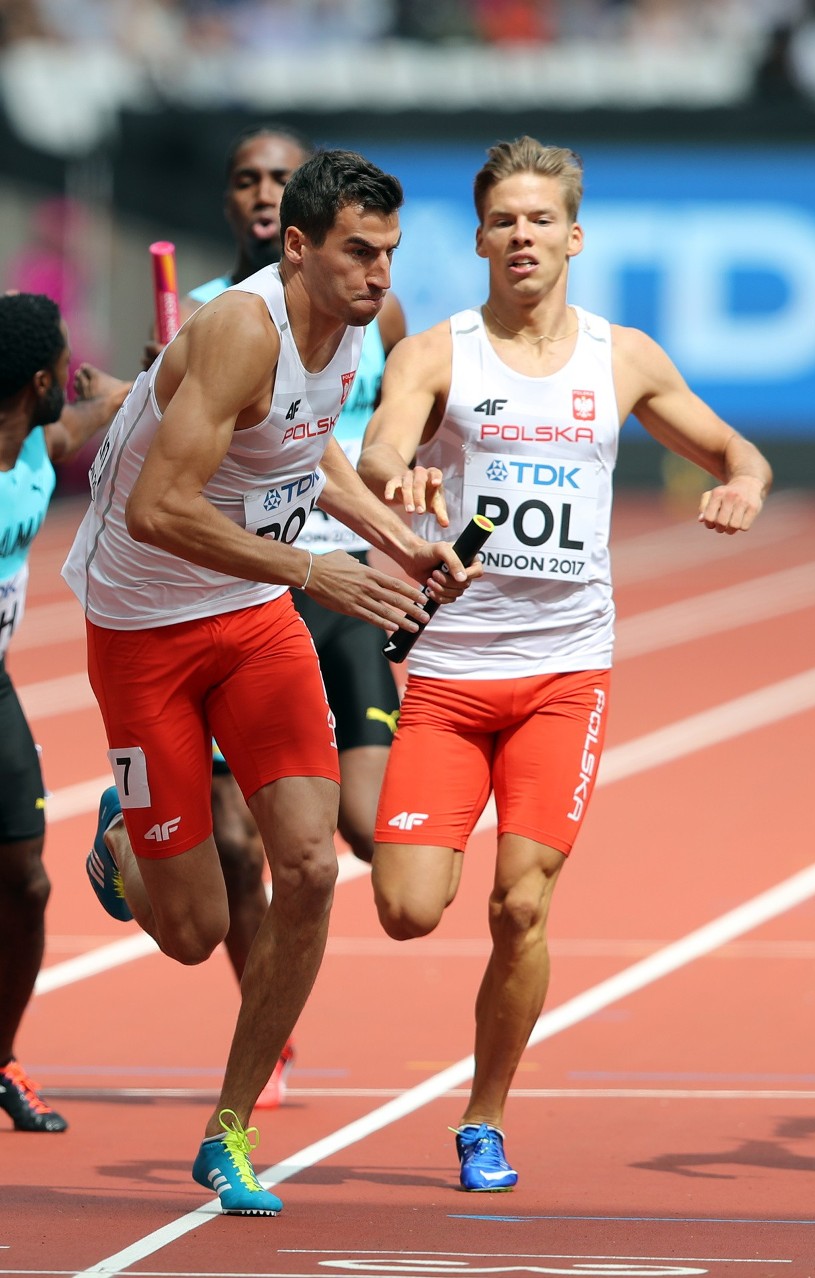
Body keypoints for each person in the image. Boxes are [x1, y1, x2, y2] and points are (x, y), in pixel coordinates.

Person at [62, 148, 480, 1216]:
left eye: (389, 253)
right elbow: (158, 507)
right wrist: (312, 570)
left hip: (250, 624)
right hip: (145, 626)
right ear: (296, 247)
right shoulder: (240, 329)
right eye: (358, 252)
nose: (380, 274)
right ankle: (122, 840)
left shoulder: (347, 328)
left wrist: (398, 541)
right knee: (197, 928)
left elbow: (310, 454)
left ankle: (228, 1130)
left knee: (307, 866)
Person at [357, 136, 773, 1194]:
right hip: (451, 674)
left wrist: (742, 487)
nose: (522, 236)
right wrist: (403, 481)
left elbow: (738, 450)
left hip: (564, 673)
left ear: (574, 236)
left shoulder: (621, 356)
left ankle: (483, 1118)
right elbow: (376, 451)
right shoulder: (438, 353)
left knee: (521, 907)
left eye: (541, 219)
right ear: (482, 237)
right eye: (504, 220)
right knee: (408, 908)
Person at [142, 124, 407, 1112]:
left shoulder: (363, 313)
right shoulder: (221, 318)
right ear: (286, 233)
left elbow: (372, 428)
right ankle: (267, 1026)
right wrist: (147, 391)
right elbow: (161, 482)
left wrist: (398, 500)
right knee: (234, 862)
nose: (263, 191)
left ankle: (246, 1080)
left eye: (280, 177)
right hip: (225, 586)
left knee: (364, 842)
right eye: (248, 180)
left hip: (333, 584)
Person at [0, 292, 128, 1133]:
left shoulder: (41, 448)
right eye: (64, 371)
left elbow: (102, 410)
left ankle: (0, 1057)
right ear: (39, 378)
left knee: (28, 883)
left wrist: (142, 377)